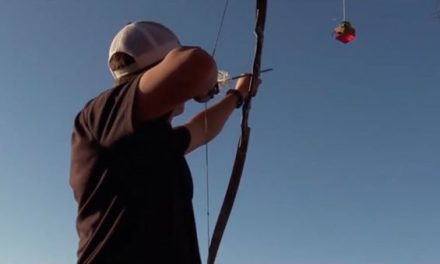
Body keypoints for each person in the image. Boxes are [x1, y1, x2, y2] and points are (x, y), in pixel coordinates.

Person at [69, 21, 259, 263]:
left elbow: (201, 129)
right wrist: (200, 85)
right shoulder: (101, 115)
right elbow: (198, 66)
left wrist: (238, 94)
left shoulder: (156, 141)